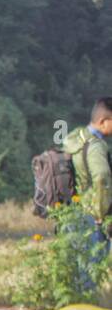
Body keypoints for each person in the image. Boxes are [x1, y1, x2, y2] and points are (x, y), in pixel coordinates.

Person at [63, 97, 112, 235]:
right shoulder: (96, 146)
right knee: (98, 255)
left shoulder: (75, 139)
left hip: (74, 210)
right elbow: (101, 177)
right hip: (93, 215)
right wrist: (100, 213)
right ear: (103, 121)